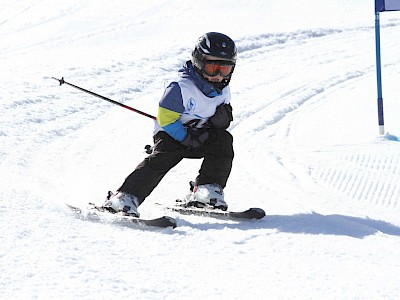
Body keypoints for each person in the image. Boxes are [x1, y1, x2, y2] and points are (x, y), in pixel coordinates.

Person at [103, 32, 237, 217]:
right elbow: (166, 120)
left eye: (225, 70)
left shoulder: (222, 88)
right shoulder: (180, 87)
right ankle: (123, 198)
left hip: (201, 135)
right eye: (213, 67)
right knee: (164, 157)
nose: (218, 75)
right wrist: (186, 138)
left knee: (223, 141)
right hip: (172, 134)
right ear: (199, 62)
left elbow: (223, 110)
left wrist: (222, 120)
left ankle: (207, 191)